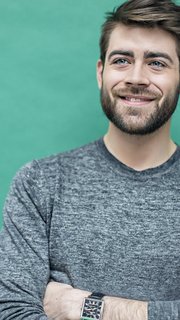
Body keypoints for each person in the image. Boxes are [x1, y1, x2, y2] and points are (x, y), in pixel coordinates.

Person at [0, 0, 180, 319]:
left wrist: (85, 306)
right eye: (122, 60)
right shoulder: (39, 183)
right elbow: (11, 309)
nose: (136, 77)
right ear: (101, 73)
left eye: (157, 63)